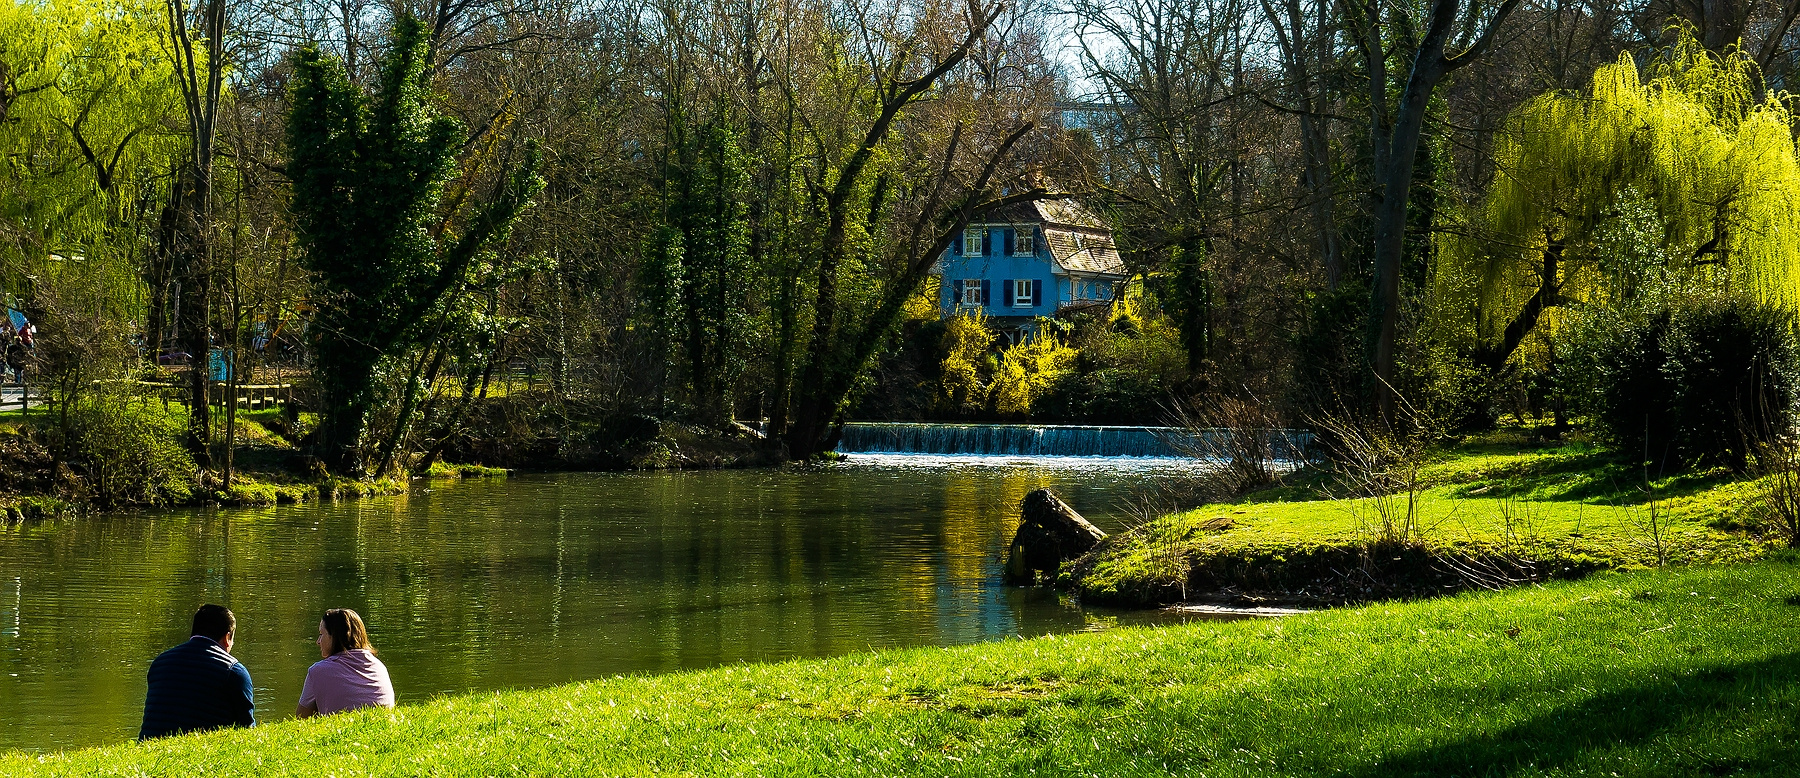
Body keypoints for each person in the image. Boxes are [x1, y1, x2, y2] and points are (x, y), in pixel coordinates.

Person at [139, 604, 256, 740]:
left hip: (149, 747)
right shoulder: (234, 671)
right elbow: (247, 730)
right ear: (227, 637)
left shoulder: (160, 662)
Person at [297, 608, 394, 718]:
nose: (318, 641)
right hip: (383, 727)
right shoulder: (379, 666)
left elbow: (301, 717)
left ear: (333, 636)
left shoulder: (318, 671)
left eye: (321, 634)